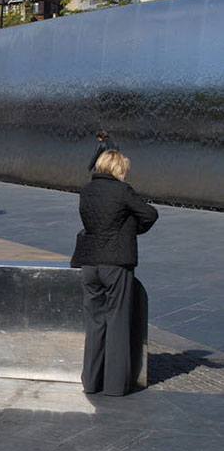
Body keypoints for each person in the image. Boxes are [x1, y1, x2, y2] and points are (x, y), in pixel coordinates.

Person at [71, 150, 158, 396]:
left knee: (95, 322)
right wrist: (132, 228)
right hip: (116, 262)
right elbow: (150, 214)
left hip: (89, 262)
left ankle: (91, 381)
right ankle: (115, 385)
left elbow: (95, 220)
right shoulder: (122, 191)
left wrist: (125, 224)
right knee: (118, 322)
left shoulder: (86, 191)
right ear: (118, 168)